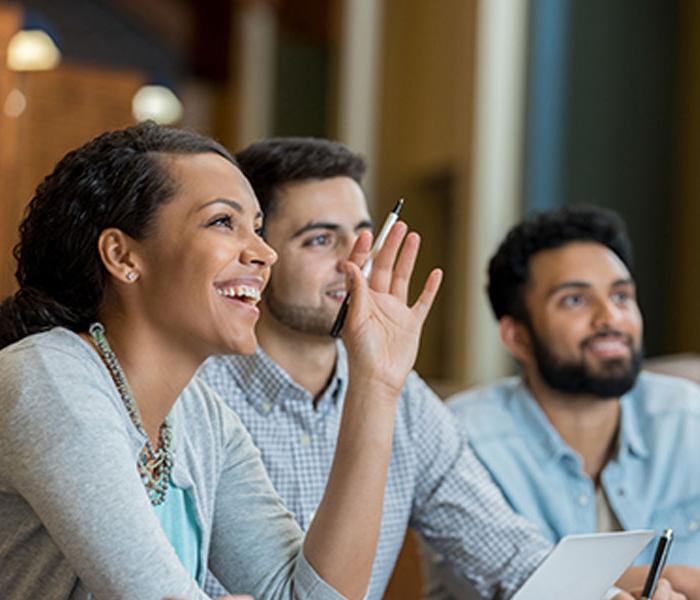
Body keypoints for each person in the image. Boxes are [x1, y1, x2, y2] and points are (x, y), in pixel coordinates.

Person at [198, 138, 681, 600]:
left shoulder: (405, 398)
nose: (357, 263)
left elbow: (504, 553)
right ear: (257, 254)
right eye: (320, 240)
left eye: (366, 236)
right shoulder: (199, 392)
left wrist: (610, 596)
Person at [0, 122, 443, 599]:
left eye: (256, 228)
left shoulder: (201, 418)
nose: (264, 253)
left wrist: (376, 383)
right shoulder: (48, 378)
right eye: (221, 222)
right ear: (122, 255)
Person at [442, 207, 700, 598]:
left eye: (620, 295)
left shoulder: (686, 417)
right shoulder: (464, 438)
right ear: (518, 338)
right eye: (575, 300)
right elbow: (509, 587)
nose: (610, 316)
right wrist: (674, 580)